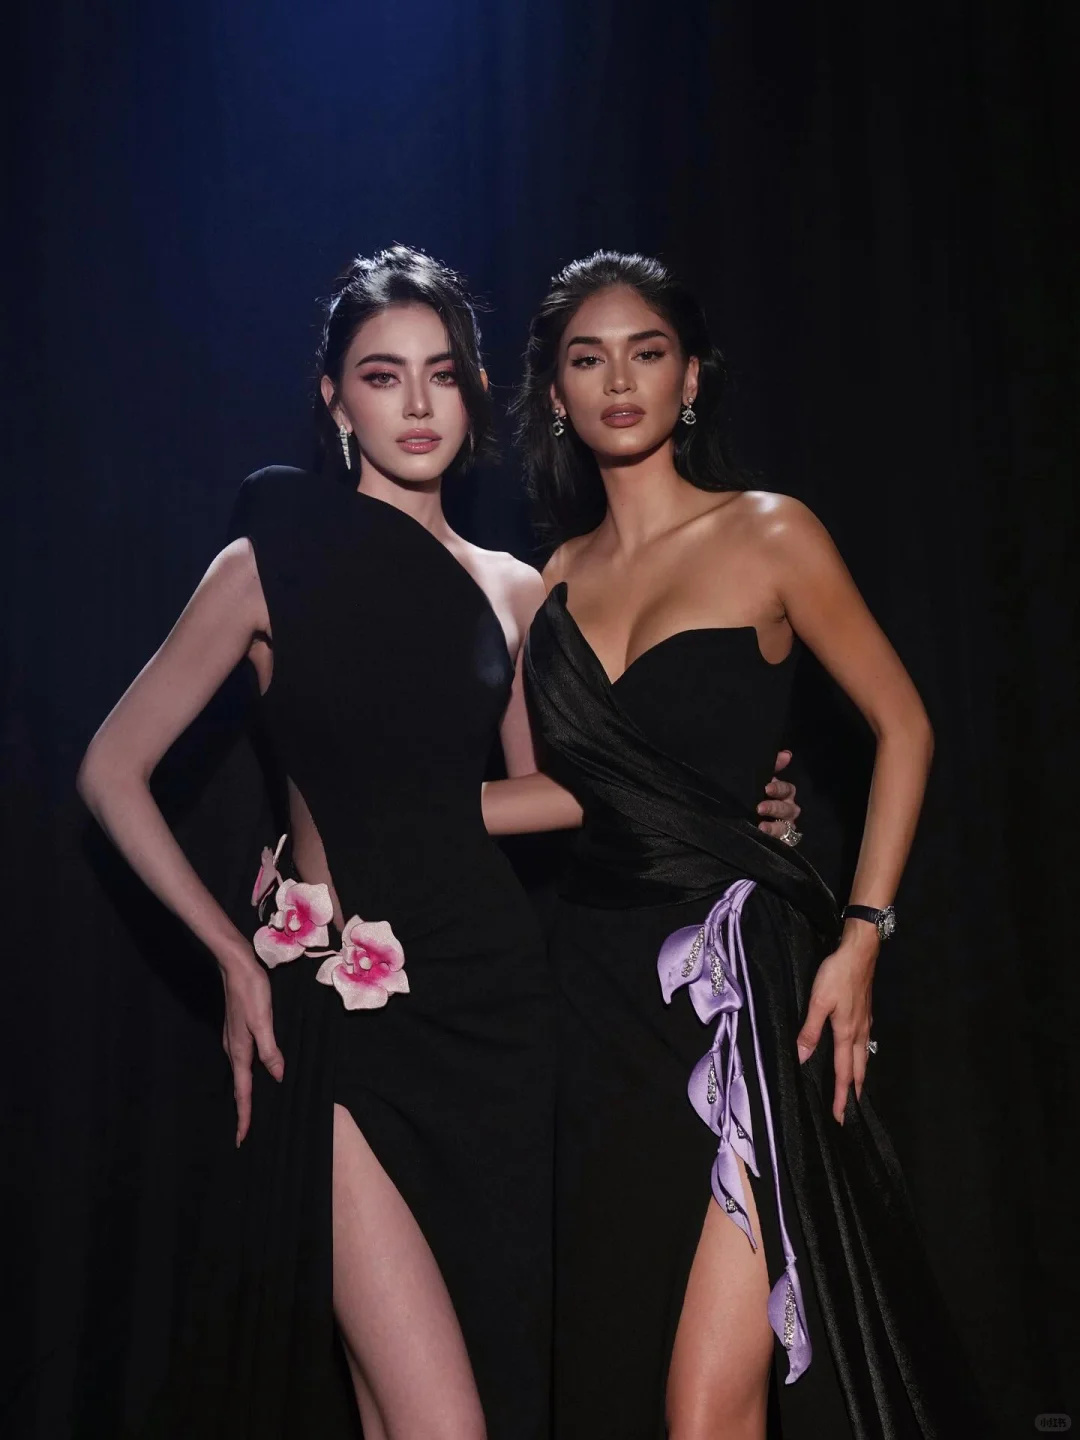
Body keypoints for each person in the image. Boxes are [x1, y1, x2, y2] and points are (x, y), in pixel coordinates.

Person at [482, 251, 987, 1438]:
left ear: (692, 377)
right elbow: (551, 797)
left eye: (647, 353)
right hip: (592, 1001)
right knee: (615, 1377)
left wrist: (862, 936)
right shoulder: (551, 583)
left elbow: (905, 726)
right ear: (554, 392)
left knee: (707, 1406)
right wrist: (361, 814)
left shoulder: (770, 532)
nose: (620, 381)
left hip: (740, 985)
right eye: (588, 359)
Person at [78, 245, 559, 1440]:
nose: (417, 403)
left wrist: (730, 798)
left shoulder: (516, 588)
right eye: (382, 376)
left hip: (493, 1016)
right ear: (336, 399)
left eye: (441, 373)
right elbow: (111, 769)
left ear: (475, 393)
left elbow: (553, 798)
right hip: (338, 1024)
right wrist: (232, 960)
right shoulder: (266, 563)